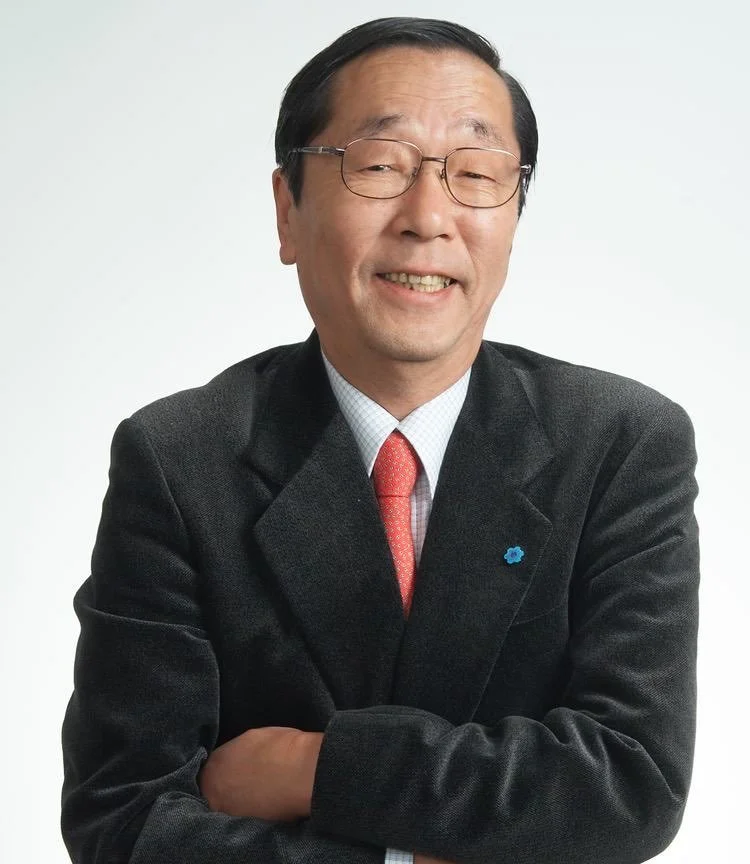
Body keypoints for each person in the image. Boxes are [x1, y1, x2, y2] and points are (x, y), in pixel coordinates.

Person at [61, 16, 699, 864]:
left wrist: (312, 769)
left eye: (476, 173)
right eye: (378, 166)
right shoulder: (180, 460)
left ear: (515, 216)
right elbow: (124, 820)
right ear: (288, 211)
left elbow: (628, 785)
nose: (428, 217)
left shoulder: (620, 444)